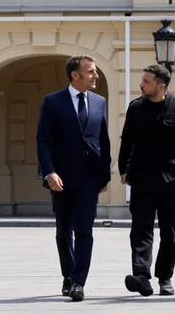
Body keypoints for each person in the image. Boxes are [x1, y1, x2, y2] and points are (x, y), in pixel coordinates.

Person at [118, 64, 175, 297]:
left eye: (146, 81)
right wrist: (123, 169)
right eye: (142, 80)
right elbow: (127, 141)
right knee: (140, 228)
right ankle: (141, 276)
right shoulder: (135, 108)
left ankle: (165, 278)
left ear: (161, 86)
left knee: (169, 230)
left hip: (172, 179)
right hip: (141, 177)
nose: (141, 84)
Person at [36, 54, 111, 302]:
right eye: (91, 71)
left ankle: (79, 281)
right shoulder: (52, 102)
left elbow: (103, 140)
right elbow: (42, 140)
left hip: (90, 177)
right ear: (75, 75)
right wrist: (49, 172)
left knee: (84, 230)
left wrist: (104, 175)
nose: (96, 75)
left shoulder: (99, 102)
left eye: (95, 71)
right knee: (64, 230)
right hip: (61, 177)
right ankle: (68, 275)